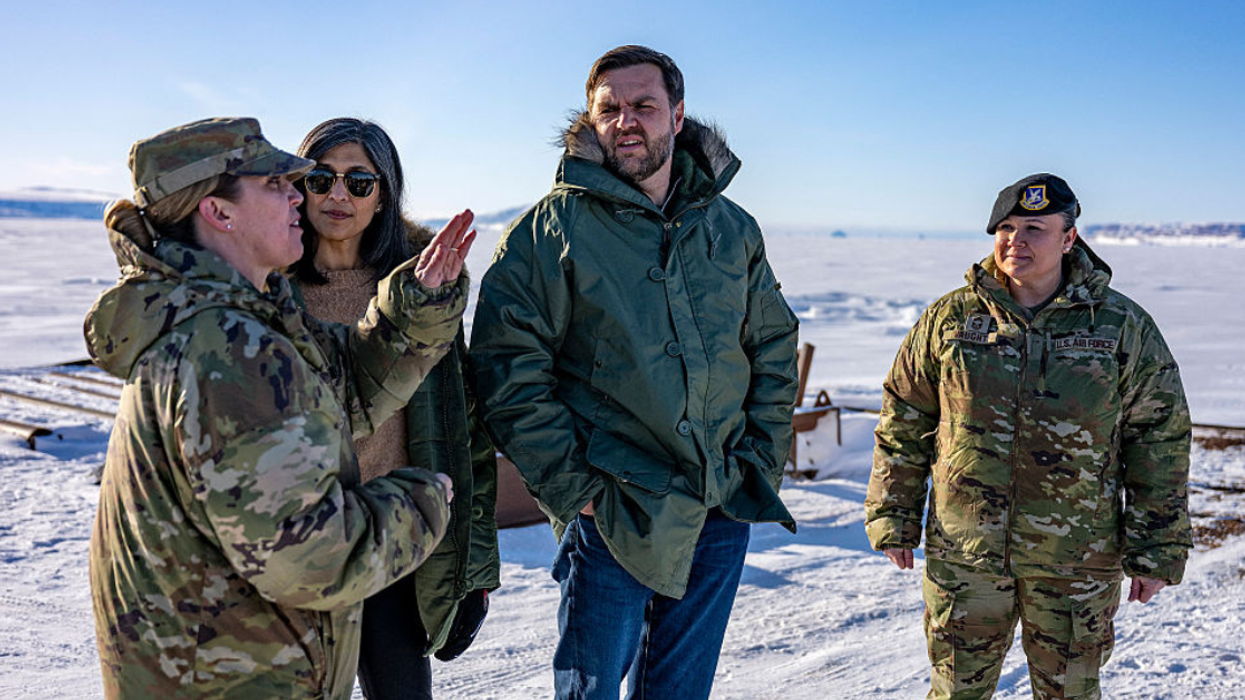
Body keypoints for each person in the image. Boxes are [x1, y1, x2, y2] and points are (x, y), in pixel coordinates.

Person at [85, 117, 476, 699]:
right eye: (278, 184)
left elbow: (344, 388)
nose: (303, 194)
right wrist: (419, 504)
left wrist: (415, 307)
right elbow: (308, 559)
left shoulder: (239, 319)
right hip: (232, 676)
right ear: (220, 213)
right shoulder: (226, 350)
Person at [469, 45, 800, 700]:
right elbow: (507, 369)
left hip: (716, 503)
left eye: (643, 106)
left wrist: (756, 459)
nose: (626, 120)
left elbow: (771, 344)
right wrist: (574, 488)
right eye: (609, 108)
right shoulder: (549, 231)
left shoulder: (731, 229)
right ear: (589, 121)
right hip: (613, 511)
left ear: (676, 117)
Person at [865, 173, 1191, 700]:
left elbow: (1160, 440)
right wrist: (893, 514)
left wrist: (1157, 547)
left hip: (1076, 562)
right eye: (1007, 227)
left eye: (1034, 228)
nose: (1016, 240)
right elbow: (905, 418)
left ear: (1068, 239)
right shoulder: (951, 320)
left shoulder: (1119, 327)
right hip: (966, 556)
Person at [288, 117, 500, 700]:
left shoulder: (421, 290)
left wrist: (474, 567)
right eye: (320, 178)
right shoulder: (264, 287)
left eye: (359, 182)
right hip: (294, 543)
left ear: (383, 195)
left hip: (392, 535)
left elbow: (465, 431)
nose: (337, 196)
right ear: (296, 185)